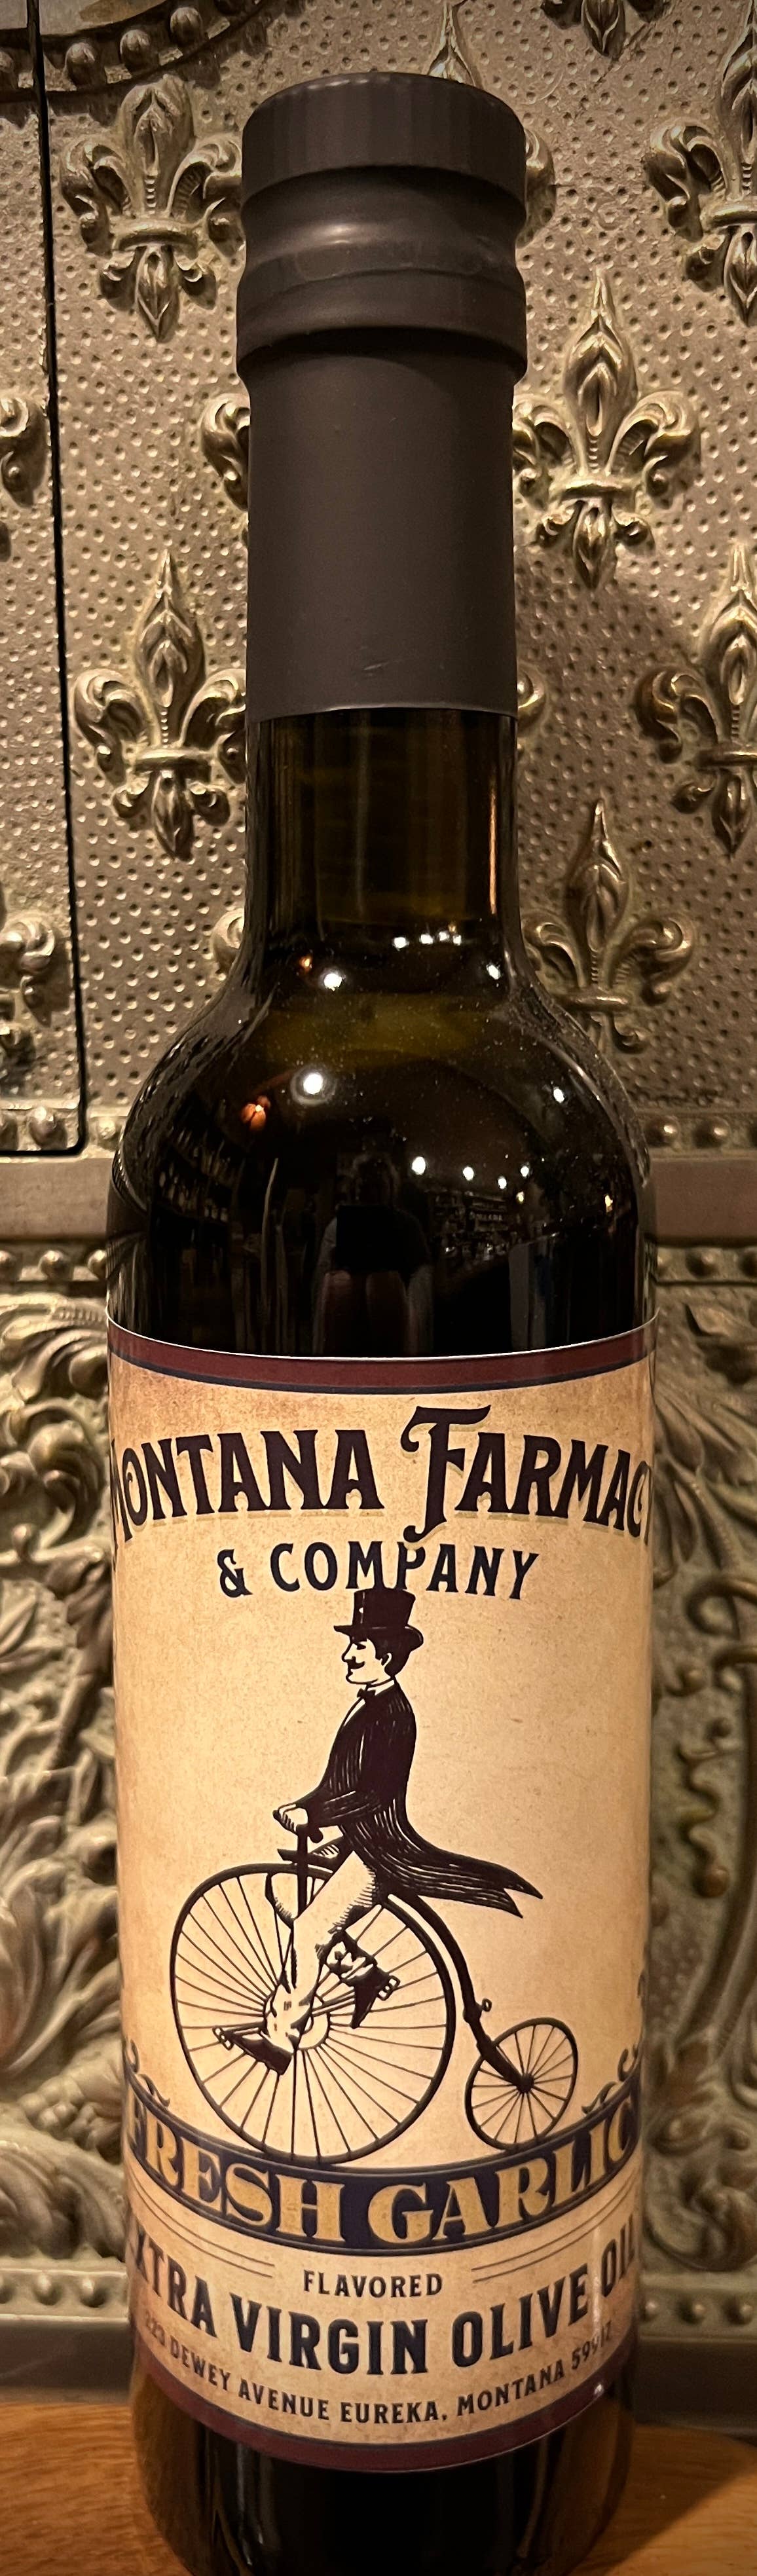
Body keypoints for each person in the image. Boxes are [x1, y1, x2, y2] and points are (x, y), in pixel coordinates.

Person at [249, 1587, 540, 2068]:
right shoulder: (367, 1706)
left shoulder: (393, 1715)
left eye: (358, 1646)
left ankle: (280, 2040)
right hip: (357, 1843)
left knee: (310, 1931)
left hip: (379, 1852)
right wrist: (305, 1806)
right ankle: (363, 1975)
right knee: (283, 1886)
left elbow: (374, 1794)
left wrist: (316, 1818)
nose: (347, 1655)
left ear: (384, 1656)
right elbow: (338, 1783)